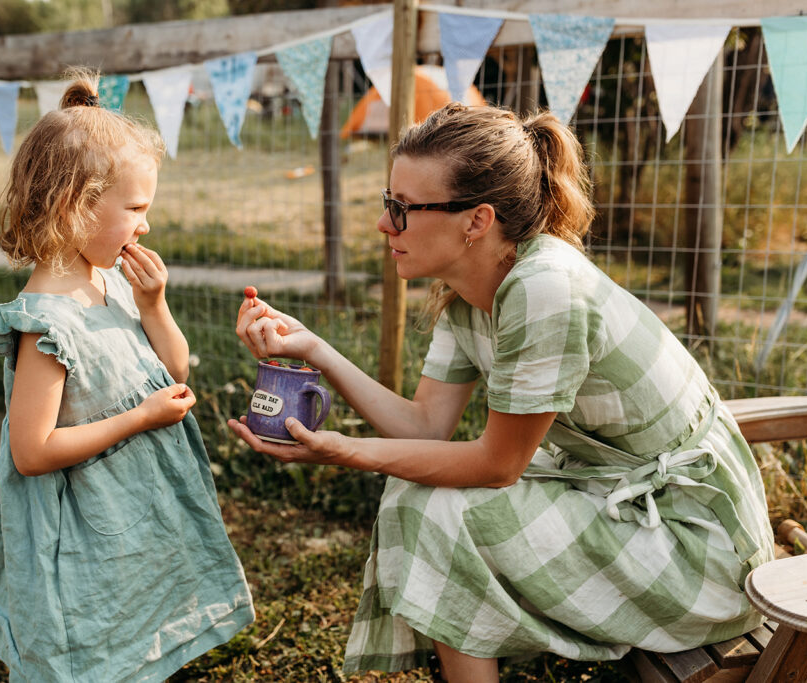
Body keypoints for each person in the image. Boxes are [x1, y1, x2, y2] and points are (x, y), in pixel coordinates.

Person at [229, 102, 773, 682]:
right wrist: (313, 348)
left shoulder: (544, 290)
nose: (384, 225)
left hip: (698, 547)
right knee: (419, 499)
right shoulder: (468, 291)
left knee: (433, 511)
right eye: (389, 204)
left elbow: (497, 465)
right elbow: (426, 428)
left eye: (403, 209)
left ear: (476, 221)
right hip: (621, 503)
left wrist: (343, 451)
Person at [0, 69, 253, 682]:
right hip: (83, 522)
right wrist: (143, 417)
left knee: (137, 613)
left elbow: (172, 371)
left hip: (135, 506)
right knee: (92, 635)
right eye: (135, 209)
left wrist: (154, 305)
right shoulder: (45, 324)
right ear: (77, 208)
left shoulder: (110, 283)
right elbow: (32, 451)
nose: (145, 226)